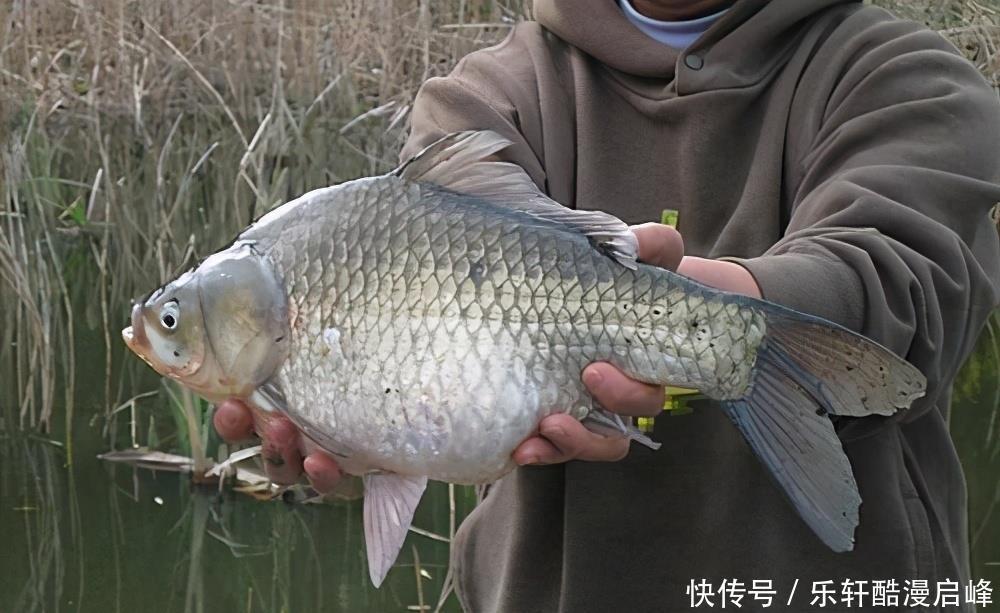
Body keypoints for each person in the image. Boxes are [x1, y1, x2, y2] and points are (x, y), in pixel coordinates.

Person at [214, 0, 1000, 610]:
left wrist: (708, 315)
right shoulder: (485, 101)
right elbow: (426, 384)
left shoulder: (906, 77)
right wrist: (362, 437)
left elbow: (913, 290)